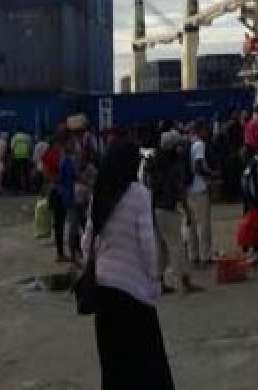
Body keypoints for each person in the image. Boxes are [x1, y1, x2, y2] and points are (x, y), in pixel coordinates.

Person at [82, 140, 175, 390]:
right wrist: (154, 281)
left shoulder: (99, 193)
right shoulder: (139, 194)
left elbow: (86, 241)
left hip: (103, 290)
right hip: (133, 290)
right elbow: (147, 243)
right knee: (147, 359)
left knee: (113, 361)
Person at [147, 132, 202, 295]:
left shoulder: (154, 162)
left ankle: (158, 283)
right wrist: (186, 210)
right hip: (168, 209)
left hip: (154, 208)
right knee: (176, 246)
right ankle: (184, 282)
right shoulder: (175, 165)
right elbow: (180, 190)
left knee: (160, 247)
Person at [185, 123, 214, 267]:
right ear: (200, 130)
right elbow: (198, 166)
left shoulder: (188, 144)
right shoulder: (200, 145)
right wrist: (212, 175)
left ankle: (193, 255)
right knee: (204, 224)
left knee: (191, 224)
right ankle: (205, 256)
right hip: (199, 188)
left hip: (188, 189)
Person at [11, 129, 33, 193]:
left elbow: (12, 147)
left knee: (17, 174)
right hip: (25, 157)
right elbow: (30, 147)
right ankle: (27, 189)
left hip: (17, 157)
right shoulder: (27, 137)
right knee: (26, 173)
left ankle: (17, 189)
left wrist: (12, 156)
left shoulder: (15, 137)